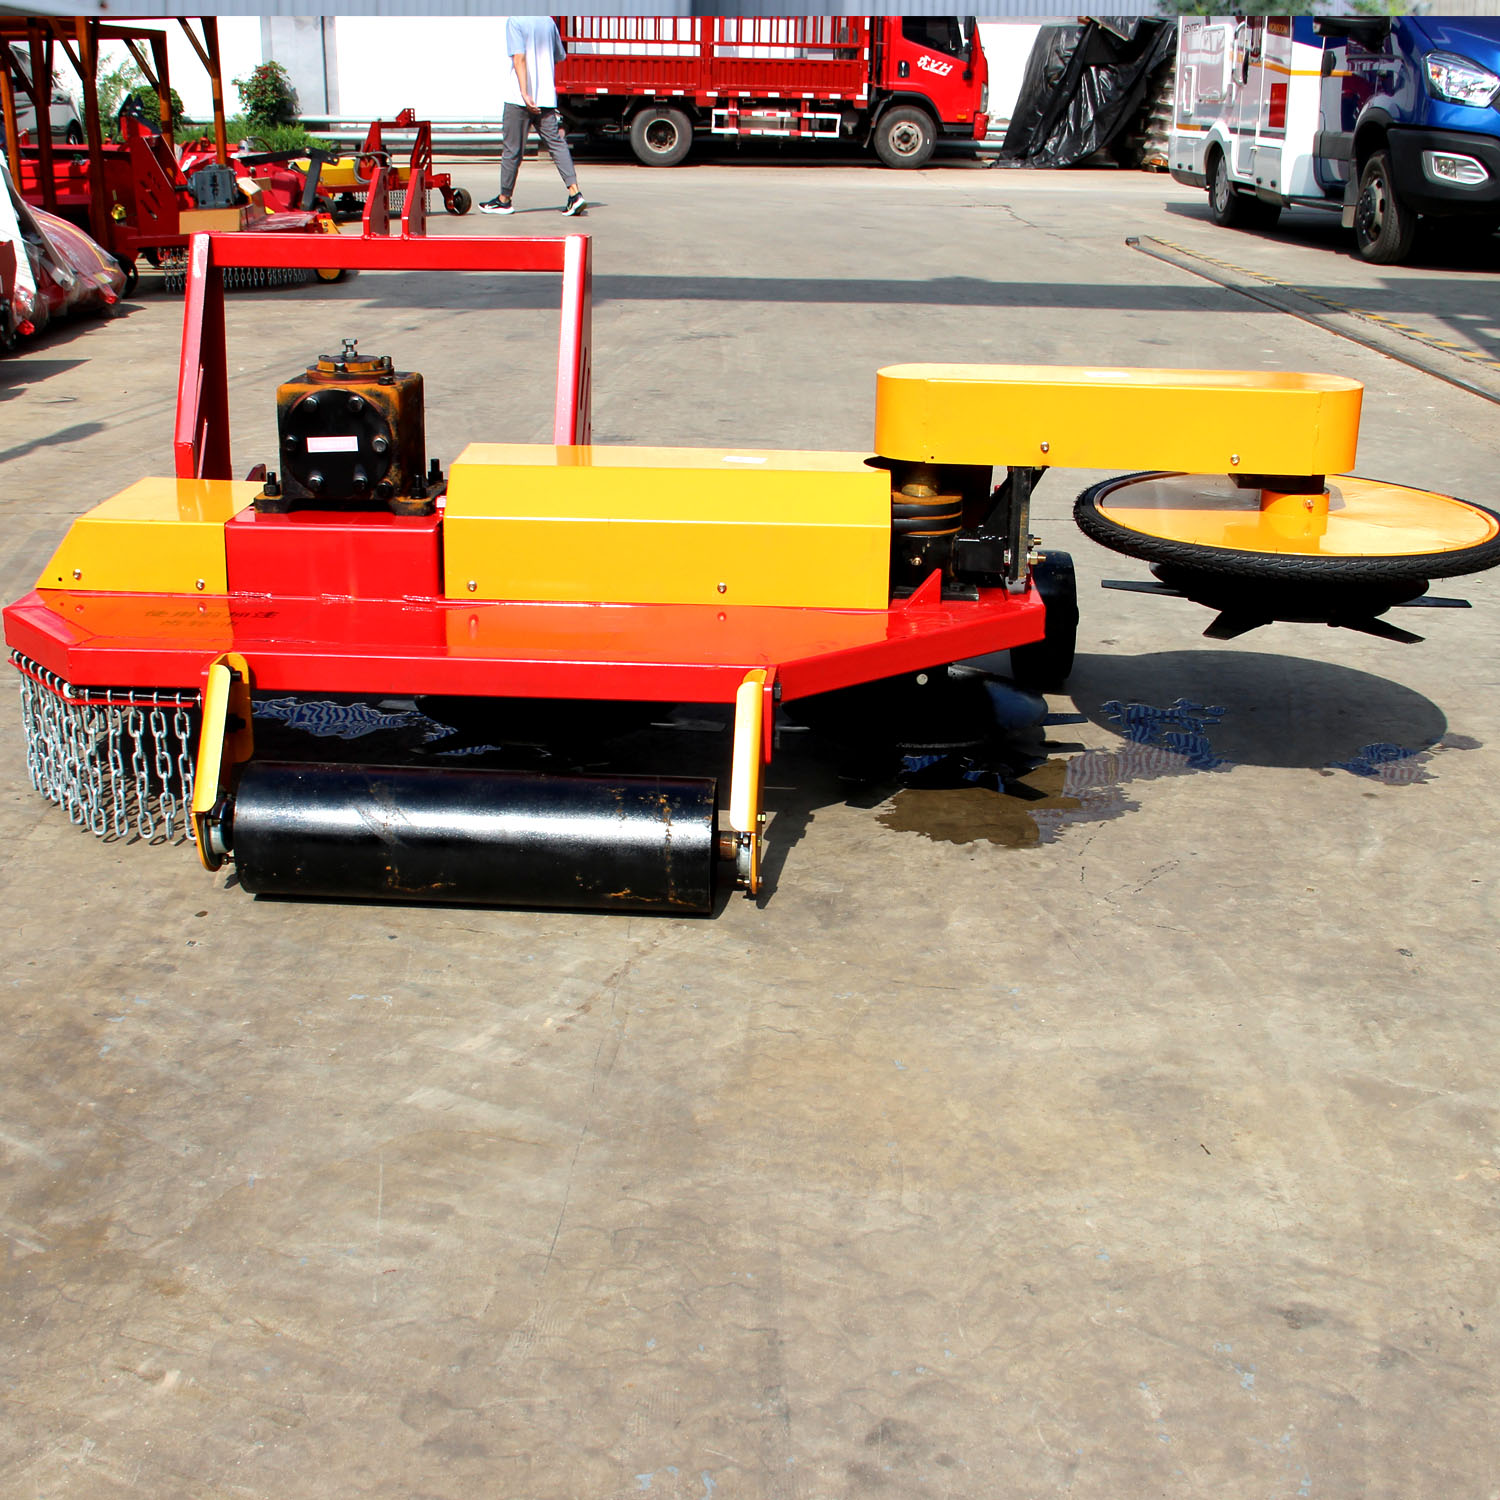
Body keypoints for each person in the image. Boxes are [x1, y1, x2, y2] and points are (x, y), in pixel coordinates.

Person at [480, 16, 585, 217]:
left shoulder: (516, 21)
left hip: (519, 99)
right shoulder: (548, 22)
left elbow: (519, 58)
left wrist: (525, 92)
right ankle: (575, 193)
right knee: (556, 144)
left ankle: (504, 200)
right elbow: (559, 55)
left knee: (512, 149)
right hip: (545, 97)